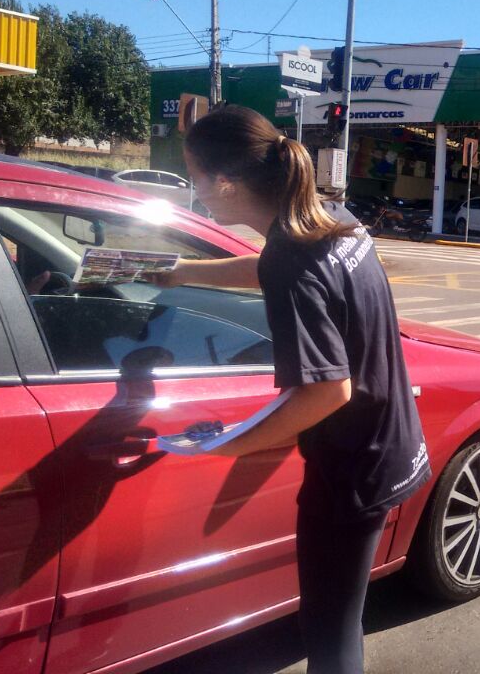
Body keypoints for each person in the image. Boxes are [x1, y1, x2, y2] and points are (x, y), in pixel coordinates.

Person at [160, 104, 431, 674]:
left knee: (329, 632)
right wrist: (182, 272)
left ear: (225, 183)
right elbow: (270, 268)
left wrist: (227, 445)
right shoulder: (328, 217)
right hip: (389, 442)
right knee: (339, 620)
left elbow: (327, 391)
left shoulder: (292, 258)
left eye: (195, 176)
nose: (195, 190)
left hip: (350, 468)